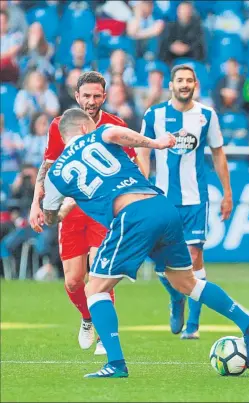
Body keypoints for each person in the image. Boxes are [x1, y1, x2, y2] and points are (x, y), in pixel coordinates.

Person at [40, 108, 249, 378]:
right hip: (162, 206)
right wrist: (155, 143)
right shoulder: (101, 133)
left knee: (94, 289)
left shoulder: (55, 174)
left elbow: (51, 216)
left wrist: (61, 210)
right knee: (186, 283)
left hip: (133, 216)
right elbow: (116, 133)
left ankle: (115, 363)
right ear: (83, 128)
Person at [28, 71, 140, 356]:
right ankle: (88, 318)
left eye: (96, 96)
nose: (91, 101)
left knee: (99, 273)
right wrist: (35, 204)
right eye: (86, 96)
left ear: (104, 97)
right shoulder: (60, 126)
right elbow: (48, 166)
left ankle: (106, 336)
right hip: (70, 211)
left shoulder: (115, 126)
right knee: (73, 281)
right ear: (77, 97)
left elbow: (133, 168)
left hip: (103, 211)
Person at [138, 65, 233, 339]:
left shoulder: (206, 115)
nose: (184, 84)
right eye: (179, 80)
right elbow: (143, 150)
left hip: (195, 199)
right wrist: (144, 183)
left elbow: (218, 153)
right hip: (162, 197)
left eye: (189, 80)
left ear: (195, 84)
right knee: (160, 262)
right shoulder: (154, 114)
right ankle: (176, 297)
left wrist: (227, 192)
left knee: (193, 258)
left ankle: (193, 324)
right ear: (171, 85)